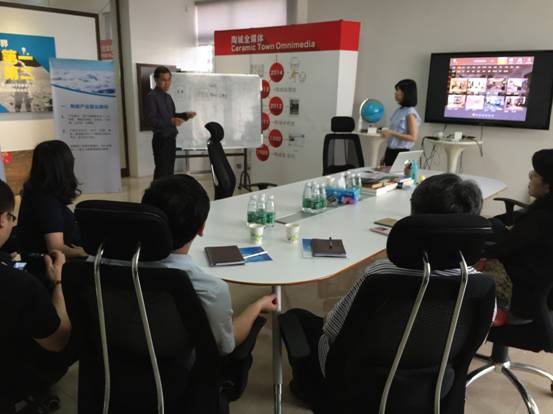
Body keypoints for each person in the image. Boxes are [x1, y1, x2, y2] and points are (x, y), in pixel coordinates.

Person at [282, 173, 485, 407]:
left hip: (361, 385)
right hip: (433, 387)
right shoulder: (480, 286)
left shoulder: (381, 274)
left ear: (414, 219)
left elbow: (332, 330)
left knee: (298, 319)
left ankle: (309, 390)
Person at [142, 174, 277, 354]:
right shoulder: (211, 289)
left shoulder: (108, 264)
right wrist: (257, 306)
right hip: (180, 366)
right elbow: (225, 345)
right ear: (201, 228)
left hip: (118, 360)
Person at [0, 179, 71, 409]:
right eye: (12, 218)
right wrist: (59, 281)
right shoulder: (21, 285)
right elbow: (57, 341)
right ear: (2, 220)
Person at [485, 149, 553, 318]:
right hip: (543, 291)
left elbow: (502, 250)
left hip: (523, 295)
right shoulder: (542, 213)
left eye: (534, 175)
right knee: (494, 224)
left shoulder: (540, 219)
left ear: (547, 187)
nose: (530, 178)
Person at [17, 140, 87, 258]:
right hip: (51, 266)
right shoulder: (46, 202)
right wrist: (84, 252)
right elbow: (56, 249)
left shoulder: (35, 193)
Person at [144, 66, 197, 180]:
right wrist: (170, 121)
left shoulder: (168, 97)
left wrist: (185, 115)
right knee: (162, 172)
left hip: (171, 139)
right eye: (163, 80)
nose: (167, 83)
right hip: (161, 139)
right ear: (156, 80)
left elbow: (172, 116)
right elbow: (151, 120)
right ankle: (156, 192)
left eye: (169, 80)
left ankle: (166, 191)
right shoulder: (151, 97)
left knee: (169, 172)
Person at [381, 79, 422, 166]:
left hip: (401, 154)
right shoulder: (398, 110)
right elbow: (392, 140)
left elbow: (413, 137)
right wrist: (384, 156)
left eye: (398, 90)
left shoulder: (410, 112)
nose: (395, 93)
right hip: (390, 152)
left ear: (405, 93)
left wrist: (391, 133)